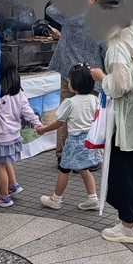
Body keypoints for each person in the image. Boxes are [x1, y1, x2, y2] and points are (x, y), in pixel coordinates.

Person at [90, 20, 133, 244]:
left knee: (123, 173)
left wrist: (101, 77)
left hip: (126, 119)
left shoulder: (117, 46)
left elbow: (120, 86)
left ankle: (128, 226)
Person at [47, 0, 106, 161]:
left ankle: (62, 154)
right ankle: (88, 154)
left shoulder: (69, 13)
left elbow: (50, 8)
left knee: (64, 114)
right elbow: (105, 49)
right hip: (91, 74)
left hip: (69, 72)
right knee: (90, 115)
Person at [37, 63, 101, 210]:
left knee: (64, 169)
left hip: (74, 141)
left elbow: (59, 123)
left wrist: (44, 129)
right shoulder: (94, 100)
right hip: (89, 141)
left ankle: (56, 199)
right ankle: (93, 199)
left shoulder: (70, 102)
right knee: (84, 169)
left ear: (75, 84)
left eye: (70, 80)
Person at [0, 51, 40, 208]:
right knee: (6, 161)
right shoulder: (18, 90)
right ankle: (13, 185)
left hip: (1, 135)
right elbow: (26, 110)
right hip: (14, 134)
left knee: (0, 166)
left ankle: (4, 197)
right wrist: (37, 123)